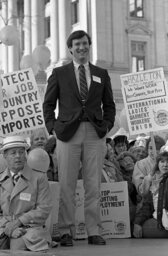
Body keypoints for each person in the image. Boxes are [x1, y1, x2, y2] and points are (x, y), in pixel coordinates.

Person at [43, 30, 116, 246]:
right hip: (67, 134)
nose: (81, 48)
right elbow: (48, 105)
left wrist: (108, 125)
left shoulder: (101, 73)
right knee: (67, 183)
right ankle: (66, 230)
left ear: (89, 45)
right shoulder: (59, 73)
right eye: (77, 45)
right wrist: (52, 128)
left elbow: (110, 105)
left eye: (84, 43)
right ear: (70, 49)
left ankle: (94, 230)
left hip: (95, 132)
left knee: (94, 183)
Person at [0, 136, 52, 251]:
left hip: (30, 229)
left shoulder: (39, 177)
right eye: (13, 153)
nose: (18, 156)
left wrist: (18, 222)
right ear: (5, 156)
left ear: (26, 154)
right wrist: (8, 227)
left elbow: (43, 209)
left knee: (16, 248)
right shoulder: (1, 179)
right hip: (5, 227)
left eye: (21, 152)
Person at [133, 151, 168, 238]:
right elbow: (148, 205)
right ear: (157, 164)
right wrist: (137, 222)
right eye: (162, 162)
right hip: (161, 220)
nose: (165, 165)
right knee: (142, 228)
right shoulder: (154, 181)